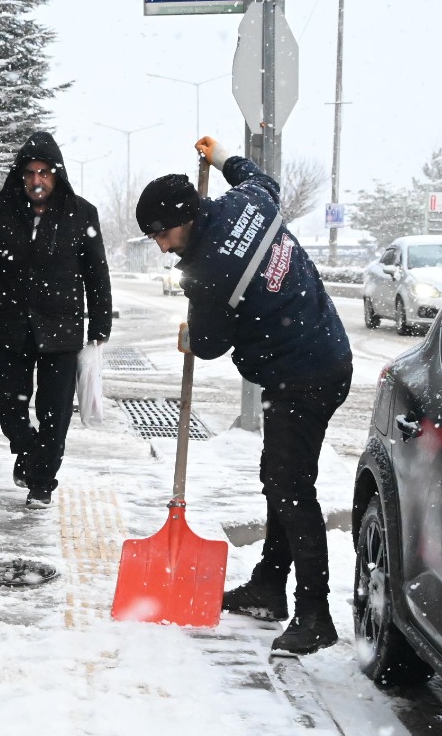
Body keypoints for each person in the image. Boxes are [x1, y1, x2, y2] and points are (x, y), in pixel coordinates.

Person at [135, 136, 353, 656]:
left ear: (185, 218)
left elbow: (210, 344)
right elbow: (261, 179)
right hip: (324, 355)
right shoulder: (247, 202)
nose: (161, 246)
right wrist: (222, 157)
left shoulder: (208, 272)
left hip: (301, 375)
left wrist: (192, 330)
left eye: (162, 234)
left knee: (290, 487)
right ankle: (268, 586)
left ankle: (316, 615)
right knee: (281, 479)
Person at [0, 132, 112, 507]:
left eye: (44, 173)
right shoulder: (1, 210)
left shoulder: (81, 213)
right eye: (30, 173)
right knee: (5, 403)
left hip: (62, 328)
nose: (36, 180)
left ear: (57, 175)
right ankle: (27, 451)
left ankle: (42, 482)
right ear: (20, 175)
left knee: (55, 413)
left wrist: (100, 325)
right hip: (11, 325)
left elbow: (97, 274)